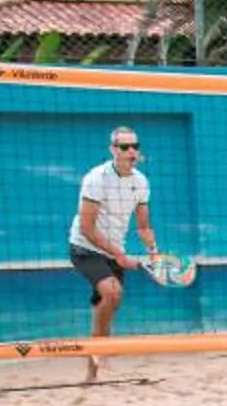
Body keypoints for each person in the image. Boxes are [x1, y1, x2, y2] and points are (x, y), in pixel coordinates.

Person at [68, 125, 159, 385]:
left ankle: (91, 373)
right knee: (112, 291)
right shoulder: (96, 178)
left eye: (135, 146)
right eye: (124, 147)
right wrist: (120, 255)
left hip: (112, 249)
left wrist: (154, 253)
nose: (131, 151)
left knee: (108, 304)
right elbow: (86, 228)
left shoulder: (141, 182)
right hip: (84, 246)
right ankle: (101, 350)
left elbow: (143, 227)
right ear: (113, 150)